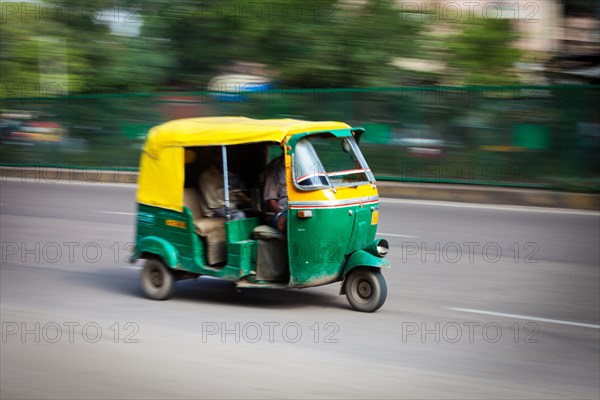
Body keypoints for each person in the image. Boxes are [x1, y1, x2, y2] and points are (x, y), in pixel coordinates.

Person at [199, 151, 249, 220]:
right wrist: (232, 204)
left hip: (226, 205)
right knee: (239, 215)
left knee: (251, 212)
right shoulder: (207, 176)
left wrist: (241, 197)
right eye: (219, 156)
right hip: (214, 209)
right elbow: (212, 203)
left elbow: (228, 194)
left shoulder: (224, 174)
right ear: (213, 158)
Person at [263, 153, 287, 232]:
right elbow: (271, 200)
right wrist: (281, 214)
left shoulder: (300, 164)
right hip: (278, 213)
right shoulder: (275, 167)